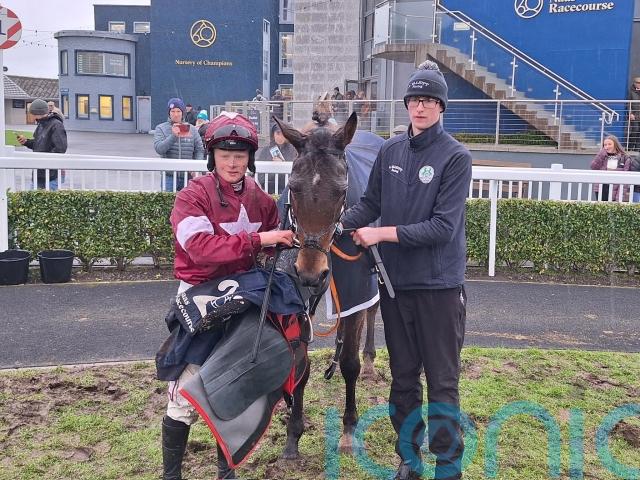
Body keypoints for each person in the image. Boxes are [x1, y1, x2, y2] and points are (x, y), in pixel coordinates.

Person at [340, 61, 471, 480]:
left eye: (430, 100)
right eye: (415, 99)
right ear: (407, 104)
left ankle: (448, 466)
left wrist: (380, 234)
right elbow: (370, 204)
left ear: (441, 106)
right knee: (403, 379)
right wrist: (334, 226)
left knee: (442, 381)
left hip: (438, 288)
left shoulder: (455, 156)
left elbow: (442, 227)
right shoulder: (390, 150)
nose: (421, 106)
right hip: (395, 288)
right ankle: (409, 459)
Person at [157, 111, 294, 480]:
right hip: (201, 301)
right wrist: (259, 240)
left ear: (249, 157)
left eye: (240, 155)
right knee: (184, 396)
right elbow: (200, 249)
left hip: (244, 301)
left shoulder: (261, 199)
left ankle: (226, 473)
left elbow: (276, 243)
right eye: (224, 155)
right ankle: (171, 475)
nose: (233, 163)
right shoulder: (193, 196)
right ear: (212, 156)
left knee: (235, 390)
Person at [154, 98, 205, 192]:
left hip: (187, 176)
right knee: (168, 201)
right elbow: (159, 149)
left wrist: (196, 168)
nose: (176, 114)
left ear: (183, 113)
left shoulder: (192, 129)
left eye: (178, 111)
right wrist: (173, 136)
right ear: (169, 113)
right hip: (169, 176)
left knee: (188, 201)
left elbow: (199, 149)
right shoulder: (161, 128)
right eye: (172, 111)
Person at [17, 98, 67, 190]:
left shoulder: (56, 125)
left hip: (52, 174)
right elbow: (38, 144)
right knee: (32, 198)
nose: (31, 116)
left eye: (31, 113)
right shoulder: (41, 124)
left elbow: (60, 149)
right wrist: (26, 142)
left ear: (37, 113)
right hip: (39, 172)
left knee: (48, 199)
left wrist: (44, 160)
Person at [590, 135, 631, 201]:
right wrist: (601, 154)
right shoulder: (602, 155)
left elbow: (625, 179)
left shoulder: (624, 158)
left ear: (615, 144)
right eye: (605, 145)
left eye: (609, 144)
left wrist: (619, 197)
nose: (607, 146)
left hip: (616, 189)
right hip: (602, 187)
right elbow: (593, 167)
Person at [626, 77, 640, 151]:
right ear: (634, 83)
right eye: (638, 83)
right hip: (634, 115)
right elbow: (628, 103)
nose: (639, 84)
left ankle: (637, 148)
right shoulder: (631, 91)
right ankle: (630, 147)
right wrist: (630, 113)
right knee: (635, 130)